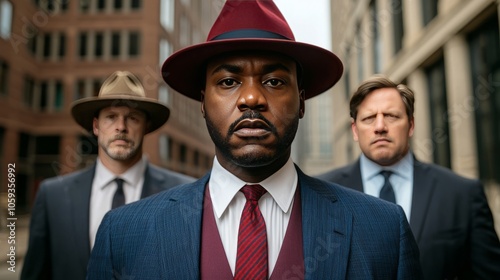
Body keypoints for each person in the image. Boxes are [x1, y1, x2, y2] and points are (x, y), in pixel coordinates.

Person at [87, 1, 423, 279]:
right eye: (229, 81)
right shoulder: (123, 234)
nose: (251, 98)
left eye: (275, 81)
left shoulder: (382, 230)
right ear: (203, 103)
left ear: (302, 101)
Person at [317, 75, 500, 279]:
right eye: (369, 118)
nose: (380, 126)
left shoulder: (463, 194)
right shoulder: (321, 194)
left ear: (411, 125)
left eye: (391, 116)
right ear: (355, 130)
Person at [21, 71, 195, 280]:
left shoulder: (184, 196)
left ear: (146, 126)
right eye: (111, 117)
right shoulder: (52, 196)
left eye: (132, 118)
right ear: (96, 126)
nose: (121, 127)